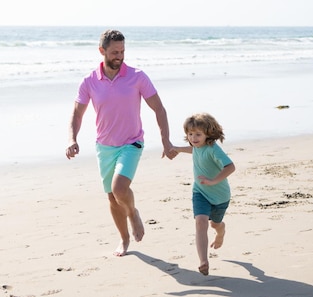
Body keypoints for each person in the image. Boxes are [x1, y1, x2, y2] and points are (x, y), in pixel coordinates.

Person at [66, 29, 177, 257]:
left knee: (119, 189)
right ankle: (124, 239)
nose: (120, 56)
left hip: (132, 143)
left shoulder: (137, 76)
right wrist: (72, 139)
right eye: (115, 52)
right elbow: (77, 114)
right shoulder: (89, 81)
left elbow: (159, 108)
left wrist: (165, 140)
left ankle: (133, 213)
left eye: (123, 51)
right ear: (102, 51)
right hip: (104, 147)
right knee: (111, 196)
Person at [169, 112, 236, 276]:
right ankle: (203, 261)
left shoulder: (213, 149)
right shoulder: (197, 146)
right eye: (190, 134)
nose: (193, 138)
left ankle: (221, 232)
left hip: (220, 196)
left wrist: (213, 181)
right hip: (200, 192)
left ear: (208, 134)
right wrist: (176, 149)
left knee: (215, 224)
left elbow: (230, 167)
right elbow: (193, 150)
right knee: (200, 222)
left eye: (198, 134)